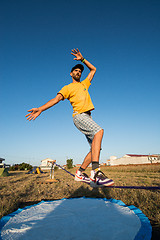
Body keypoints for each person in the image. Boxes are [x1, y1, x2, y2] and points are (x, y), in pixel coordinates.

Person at [26, 48, 114, 187]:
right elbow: (55, 99)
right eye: (76, 71)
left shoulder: (84, 84)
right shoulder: (67, 88)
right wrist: (41, 109)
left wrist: (83, 60)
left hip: (88, 117)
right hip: (79, 116)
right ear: (71, 73)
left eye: (80, 71)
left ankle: (80, 173)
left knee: (95, 150)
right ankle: (96, 172)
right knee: (99, 131)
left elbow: (93, 70)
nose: (78, 72)